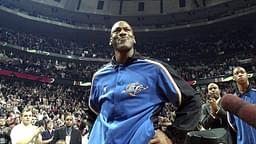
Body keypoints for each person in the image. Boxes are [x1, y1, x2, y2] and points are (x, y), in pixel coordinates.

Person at [88, 20, 201, 144]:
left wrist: (171, 136)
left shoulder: (155, 69)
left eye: (127, 29)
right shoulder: (99, 77)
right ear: (110, 40)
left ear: (134, 39)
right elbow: (92, 112)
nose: (122, 33)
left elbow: (192, 100)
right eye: (117, 30)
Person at [227, 66, 256, 144]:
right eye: (237, 73)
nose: (240, 75)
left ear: (247, 75)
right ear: (233, 78)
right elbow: (232, 125)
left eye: (242, 72)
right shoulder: (232, 101)